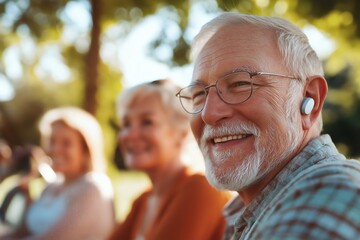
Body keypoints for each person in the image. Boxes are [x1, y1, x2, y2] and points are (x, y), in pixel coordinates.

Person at [175, 12, 360, 239]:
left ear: (309, 99)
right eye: (198, 95)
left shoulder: (327, 198)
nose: (209, 114)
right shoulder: (257, 209)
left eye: (241, 84)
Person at [108, 79, 231, 240]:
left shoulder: (201, 189)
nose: (131, 134)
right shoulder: (144, 199)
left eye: (147, 122)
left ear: (183, 132)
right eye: (126, 124)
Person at [1, 106, 115, 239]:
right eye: (52, 141)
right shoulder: (52, 185)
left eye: (66, 143)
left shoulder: (94, 186)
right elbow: (22, 232)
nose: (55, 149)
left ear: (85, 150)